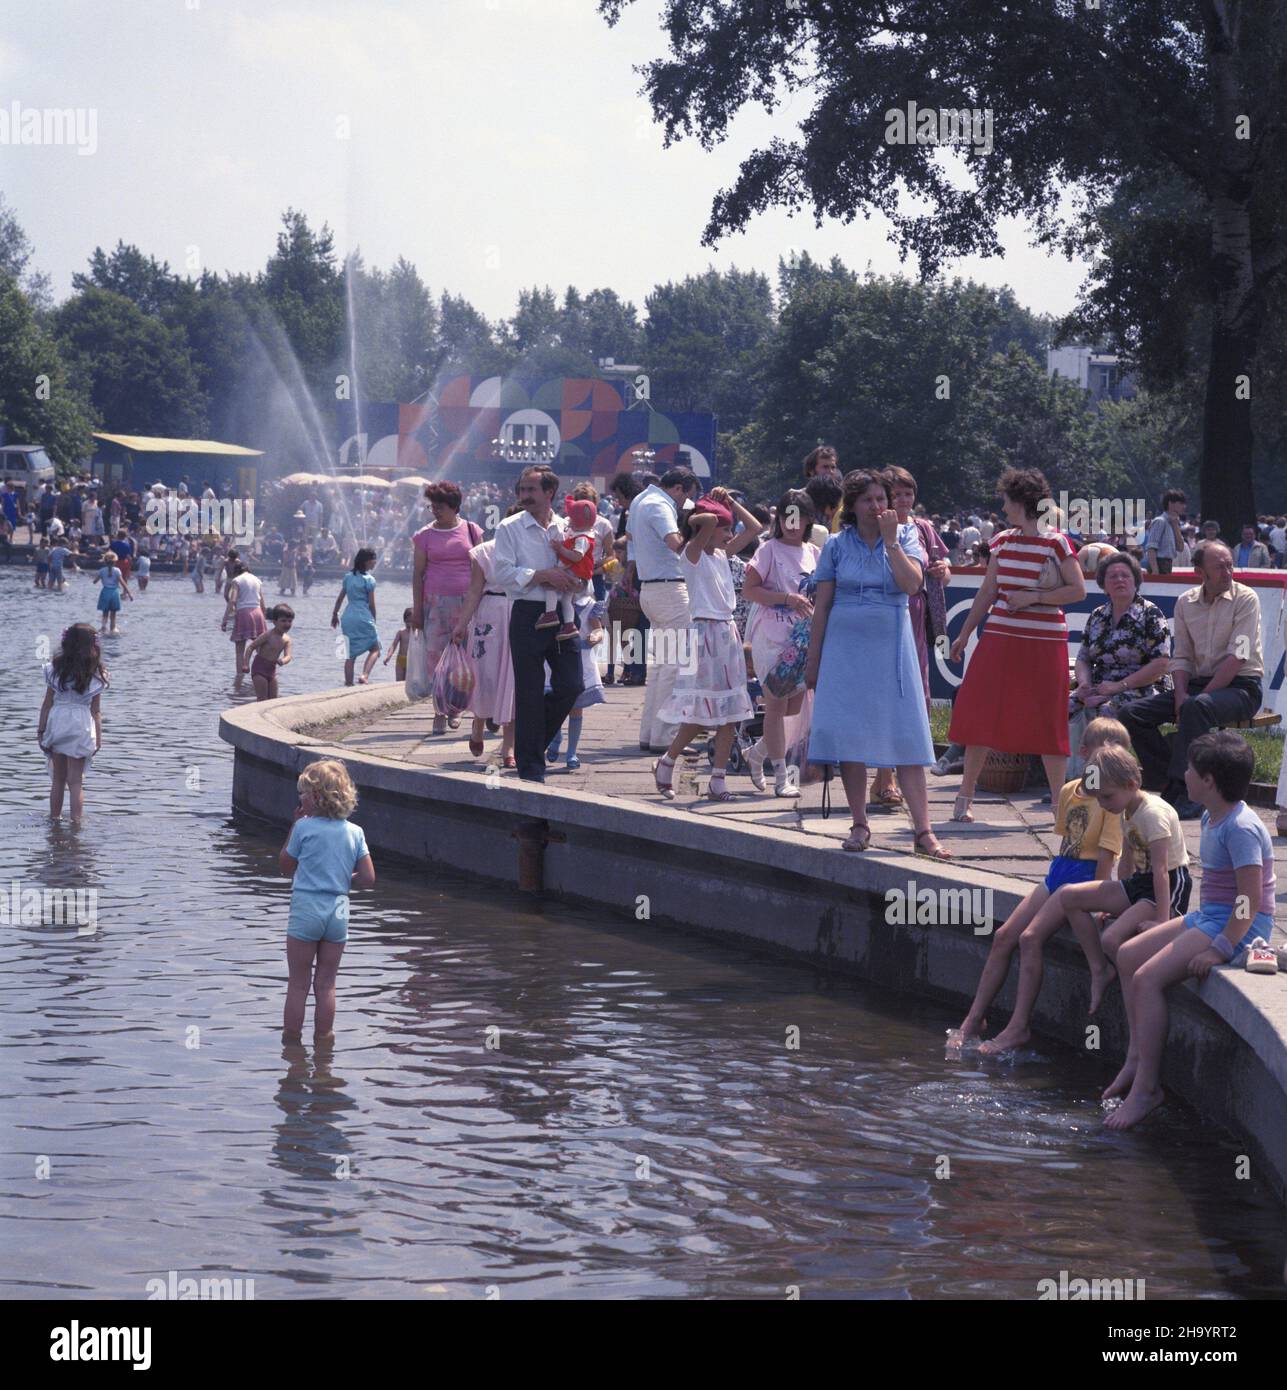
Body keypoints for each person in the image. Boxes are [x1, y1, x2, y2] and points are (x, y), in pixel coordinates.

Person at [1103, 732, 1275, 1129]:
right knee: (1128, 954)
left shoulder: (1243, 828)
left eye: (1191, 770)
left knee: (1146, 979)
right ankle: (1136, 1056)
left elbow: (1248, 901)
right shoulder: (1211, 815)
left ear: (1209, 781)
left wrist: (1220, 948)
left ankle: (1147, 1089)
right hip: (1212, 913)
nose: (1184, 774)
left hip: (1237, 924)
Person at [977, 742, 1192, 1055]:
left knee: (1112, 940)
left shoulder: (1153, 815)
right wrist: (1115, 898)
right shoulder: (1124, 807)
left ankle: (1136, 1004)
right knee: (1069, 896)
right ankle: (1099, 970)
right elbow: (1130, 859)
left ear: (1132, 785)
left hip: (1167, 887)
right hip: (1140, 886)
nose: (1103, 805)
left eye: (1107, 797)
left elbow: (1161, 872)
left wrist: (1161, 920)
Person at [951, 716, 1131, 1046]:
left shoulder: (1110, 801)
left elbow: (1107, 857)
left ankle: (1019, 1026)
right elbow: (1067, 842)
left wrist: (1099, 903)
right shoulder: (1067, 792)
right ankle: (973, 1018)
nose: (1111, 762)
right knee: (1004, 935)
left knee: (1030, 938)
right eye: (1104, 753)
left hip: (1083, 880)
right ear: (1084, 752)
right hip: (1059, 872)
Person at [804, 469, 949, 858]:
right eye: (868, 499)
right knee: (850, 736)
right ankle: (859, 823)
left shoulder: (905, 536)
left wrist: (891, 544)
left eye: (881, 499)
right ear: (852, 505)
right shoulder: (836, 545)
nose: (877, 506)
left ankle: (924, 830)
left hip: (892, 647)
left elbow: (912, 584)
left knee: (905, 735)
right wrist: (813, 659)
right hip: (845, 649)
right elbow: (822, 607)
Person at [947, 468, 1086, 821]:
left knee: (1048, 719)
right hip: (1000, 637)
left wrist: (1034, 597)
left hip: (1043, 641)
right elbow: (987, 591)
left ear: (1022, 502)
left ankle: (1059, 805)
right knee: (979, 710)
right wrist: (964, 634)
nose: (1003, 506)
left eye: (1007, 500)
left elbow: (1078, 589)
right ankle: (965, 798)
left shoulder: (1056, 542)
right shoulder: (1003, 541)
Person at [1119, 540, 1262, 818]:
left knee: (1197, 707)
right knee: (1130, 713)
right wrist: (1181, 694)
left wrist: (1193, 701)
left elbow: (1239, 657)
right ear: (1200, 572)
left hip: (1242, 686)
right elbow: (1182, 656)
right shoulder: (1186, 602)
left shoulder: (1246, 599)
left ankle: (1185, 789)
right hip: (1198, 686)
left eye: (1230, 565)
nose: (1228, 572)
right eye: (1219, 567)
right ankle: (1167, 780)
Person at [653, 492, 761, 801]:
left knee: (730, 713)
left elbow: (754, 528)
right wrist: (707, 515)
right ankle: (668, 760)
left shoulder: (720, 555)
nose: (729, 534)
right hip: (703, 634)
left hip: (726, 633)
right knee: (702, 712)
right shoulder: (692, 553)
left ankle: (718, 779)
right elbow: (705, 521)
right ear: (707, 529)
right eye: (725, 529)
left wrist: (731, 502)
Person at [492, 466, 584, 783]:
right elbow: (501, 574)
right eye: (522, 490)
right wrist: (542, 575)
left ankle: (530, 746)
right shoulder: (509, 528)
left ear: (550, 493)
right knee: (528, 692)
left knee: (572, 685)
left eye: (531, 490)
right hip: (527, 614)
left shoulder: (567, 528)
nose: (524, 496)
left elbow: (582, 569)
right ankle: (532, 769)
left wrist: (575, 582)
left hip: (564, 613)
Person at [278, 760, 375, 1042]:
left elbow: (285, 865)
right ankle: (325, 1045)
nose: (300, 801)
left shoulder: (304, 828)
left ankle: (292, 1047)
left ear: (317, 797)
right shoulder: (355, 832)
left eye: (303, 796)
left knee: (298, 983)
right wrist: (343, 880)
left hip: (307, 905)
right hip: (339, 909)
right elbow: (368, 878)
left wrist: (293, 826)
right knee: (326, 983)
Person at [871, 467, 951, 807]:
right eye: (898, 494)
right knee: (887, 693)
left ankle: (905, 771)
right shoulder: (876, 528)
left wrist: (942, 570)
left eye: (908, 493)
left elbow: (944, 567)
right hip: (885, 613)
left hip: (917, 618)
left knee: (914, 692)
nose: (904, 500)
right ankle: (883, 776)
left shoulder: (923, 528)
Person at [1067, 551, 1172, 777]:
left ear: (1136, 581)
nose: (1119, 580)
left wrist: (1118, 687)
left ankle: (1103, 778)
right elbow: (1084, 657)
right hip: (1100, 684)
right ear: (1103, 584)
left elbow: (1161, 664)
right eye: (1112, 576)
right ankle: (1069, 777)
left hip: (1141, 686)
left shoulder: (1151, 614)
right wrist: (1084, 684)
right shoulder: (1097, 615)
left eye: (1125, 575)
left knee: (1107, 711)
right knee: (1065, 706)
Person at [742, 488, 818, 797]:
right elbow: (750, 589)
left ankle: (756, 754)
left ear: (809, 520)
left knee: (793, 709)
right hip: (772, 637)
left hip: (803, 639)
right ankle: (781, 776)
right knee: (775, 703)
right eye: (787, 515)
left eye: (798, 517)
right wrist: (785, 598)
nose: (792, 523)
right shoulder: (768, 549)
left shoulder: (814, 552)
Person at [631, 467, 700, 752]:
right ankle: (665, 735)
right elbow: (677, 545)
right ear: (679, 488)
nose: (684, 506)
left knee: (660, 666)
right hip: (670, 590)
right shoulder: (660, 506)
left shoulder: (640, 501)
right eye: (687, 498)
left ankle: (650, 732)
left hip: (651, 588)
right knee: (675, 666)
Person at [411, 481, 484, 734]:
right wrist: (417, 610)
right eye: (433, 507)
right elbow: (417, 574)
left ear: (454, 506)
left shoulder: (472, 531)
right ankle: (440, 710)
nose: (435, 511)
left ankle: (459, 707)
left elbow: (482, 568)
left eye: (440, 507)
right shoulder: (424, 536)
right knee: (436, 658)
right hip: (435, 604)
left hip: (468, 603)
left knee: (465, 657)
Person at [451, 536, 516, 766]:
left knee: (513, 679)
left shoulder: (531, 547)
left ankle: (509, 747)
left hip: (518, 611)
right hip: (489, 613)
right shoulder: (484, 552)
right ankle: (478, 723)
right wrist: (461, 625)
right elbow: (474, 591)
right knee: (484, 675)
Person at [37, 623, 107, 823]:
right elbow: (96, 711)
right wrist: (99, 738)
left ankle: (54, 819)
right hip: (81, 724)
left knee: (58, 779)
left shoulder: (56, 670)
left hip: (58, 721)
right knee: (76, 781)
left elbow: (47, 703)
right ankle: (76, 824)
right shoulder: (95, 673)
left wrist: (41, 730)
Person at [546, 598, 608, 772]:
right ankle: (555, 737)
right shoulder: (555, 602)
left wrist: (596, 636)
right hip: (557, 658)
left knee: (576, 707)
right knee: (554, 702)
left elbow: (598, 629)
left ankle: (572, 751)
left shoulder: (590, 605)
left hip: (581, 660)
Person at [538, 496, 597, 639]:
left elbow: (577, 557)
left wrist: (560, 549)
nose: (568, 520)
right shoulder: (580, 535)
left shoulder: (582, 539)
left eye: (571, 517)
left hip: (575, 576)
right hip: (576, 576)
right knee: (566, 600)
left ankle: (550, 614)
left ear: (578, 520)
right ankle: (569, 626)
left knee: (549, 583)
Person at [333, 548, 381, 686]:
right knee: (375, 648)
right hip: (363, 616)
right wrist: (374, 620)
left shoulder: (348, 577)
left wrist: (335, 615)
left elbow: (340, 599)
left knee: (349, 654)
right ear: (367, 561)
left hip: (347, 616)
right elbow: (372, 604)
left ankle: (348, 683)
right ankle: (364, 675)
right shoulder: (370, 580)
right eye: (374, 560)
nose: (375, 563)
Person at [222, 560, 267, 690]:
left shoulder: (237, 580)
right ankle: (263, 674)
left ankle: (239, 679)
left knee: (239, 651)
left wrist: (225, 619)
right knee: (260, 649)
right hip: (258, 613)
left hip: (243, 614)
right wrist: (263, 618)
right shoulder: (257, 580)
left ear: (236, 571)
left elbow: (233, 600)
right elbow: (263, 604)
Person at [244, 604, 295, 701]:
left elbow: (288, 656)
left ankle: (269, 716)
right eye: (283, 621)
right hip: (259, 669)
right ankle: (257, 715)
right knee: (262, 699)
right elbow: (251, 647)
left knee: (273, 700)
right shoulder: (268, 635)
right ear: (275, 622)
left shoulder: (287, 639)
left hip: (272, 670)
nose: (287, 624)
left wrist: (283, 660)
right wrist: (246, 664)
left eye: (290, 621)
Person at [1144, 490, 1186, 574]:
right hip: (1159, 563)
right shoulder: (1160, 521)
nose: (1184, 506)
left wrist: (1175, 526)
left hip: (1168, 563)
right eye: (1180, 503)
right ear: (1170, 503)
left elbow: (1181, 548)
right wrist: (1155, 570)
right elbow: (1151, 548)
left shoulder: (1174, 523)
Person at [93, 552, 133, 635]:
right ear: (115, 562)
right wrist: (129, 593)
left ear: (105, 562)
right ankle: (112, 628)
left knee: (105, 611)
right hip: (114, 592)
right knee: (113, 612)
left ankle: (103, 627)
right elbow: (123, 583)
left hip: (105, 592)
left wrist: (98, 578)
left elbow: (95, 582)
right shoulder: (117, 570)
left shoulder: (102, 571)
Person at [383, 609, 414, 683]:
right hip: (400, 660)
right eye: (407, 621)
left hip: (411, 660)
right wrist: (389, 656)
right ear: (404, 620)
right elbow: (394, 645)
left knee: (407, 682)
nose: (409, 624)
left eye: (411, 621)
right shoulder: (401, 632)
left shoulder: (416, 633)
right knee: (398, 682)